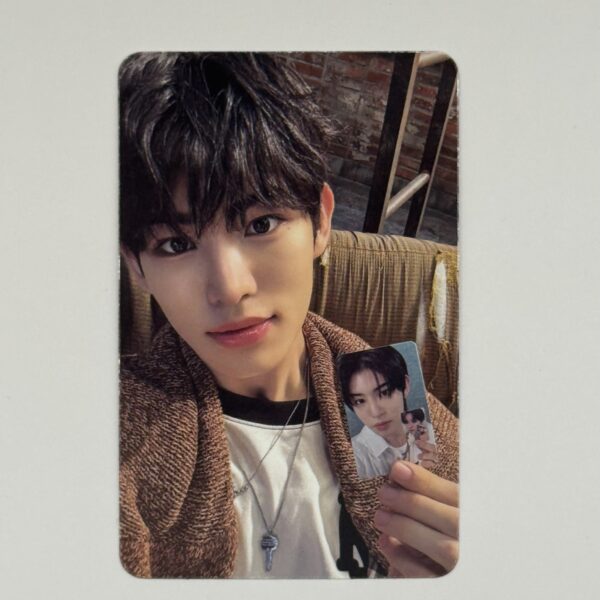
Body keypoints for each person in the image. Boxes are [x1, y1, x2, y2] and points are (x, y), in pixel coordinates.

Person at [119, 52, 459, 579]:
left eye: (260, 224)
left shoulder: (394, 395)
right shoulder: (119, 435)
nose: (230, 288)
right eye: (176, 244)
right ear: (135, 265)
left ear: (321, 222)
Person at [339, 347, 437, 477]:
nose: (376, 413)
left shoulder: (434, 433)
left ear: (405, 385)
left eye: (384, 392)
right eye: (359, 401)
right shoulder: (354, 457)